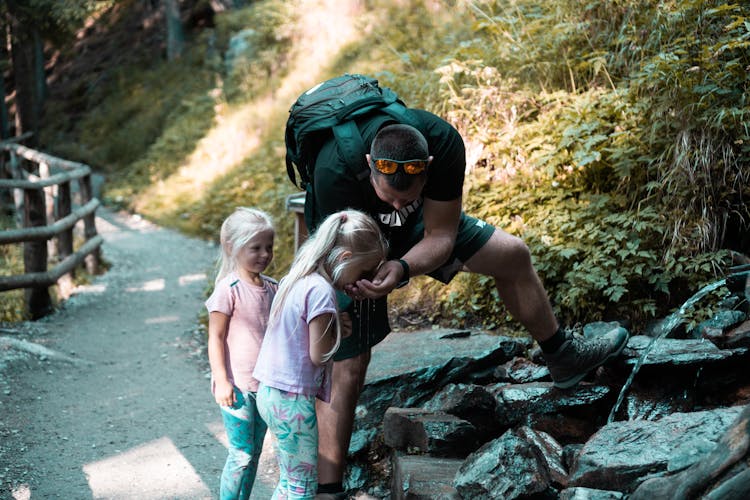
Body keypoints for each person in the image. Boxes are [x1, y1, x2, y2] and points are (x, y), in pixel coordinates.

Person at [304, 111, 630, 497]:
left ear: (427, 168)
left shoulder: (442, 142)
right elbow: (329, 255)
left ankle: (562, 356)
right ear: (369, 166)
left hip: (417, 231)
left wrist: (403, 266)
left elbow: (441, 235)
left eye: (405, 197)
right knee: (350, 362)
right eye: (387, 195)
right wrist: (342, 298)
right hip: (350, 239)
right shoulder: (333, 171)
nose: (395, 203)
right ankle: (328, 488)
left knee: (513, 255)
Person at [253, 209, 388, 500]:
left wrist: (334, 323)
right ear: (343, 259)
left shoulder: (300, 278)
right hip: (293, 402)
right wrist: (338, 333)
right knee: (303, 487)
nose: (361, 279)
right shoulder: (322, 292)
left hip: (271, 393)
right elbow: (319, 353)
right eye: (363, 271)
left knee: (290, 481)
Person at [205, 207, 277, 500]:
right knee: (241, 454)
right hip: (236, 386)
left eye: (269, 247)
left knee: (255, 451)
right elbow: (216, 337)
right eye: (255, 248)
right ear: (232, 247)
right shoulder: (228, 289)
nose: (264, 254)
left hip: (265, 384)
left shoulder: (274, 287)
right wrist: (221, 380)